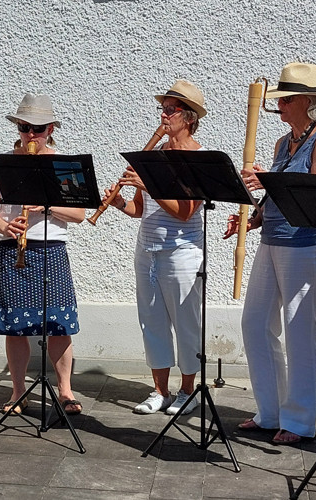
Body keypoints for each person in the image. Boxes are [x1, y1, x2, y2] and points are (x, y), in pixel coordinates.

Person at [225, 63, 316, 445]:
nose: (280, 106)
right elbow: (277, 194)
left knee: (299, 331)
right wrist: (254, 217)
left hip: (304, 244)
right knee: (255, 324)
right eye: (279, 99)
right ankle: (270, 411)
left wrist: (270, 180)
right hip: (272, 239)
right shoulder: (281, 143)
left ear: (308, 102)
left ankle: (300, 420)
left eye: (286, 99)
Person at [105, 80, 209, 416]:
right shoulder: (152, 156)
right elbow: (141, 209)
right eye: (162, 108)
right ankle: (159, 390)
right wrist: (119, 202)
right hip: (147, 250)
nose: (163, 115)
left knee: (186, 323)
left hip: (181, 253)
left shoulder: (198, 158)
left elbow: (186, 211)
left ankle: (188, 390)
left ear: (188, 117)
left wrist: (148, 183)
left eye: (171, 109)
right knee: (152, 322)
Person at [0, 94, 84, 416]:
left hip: (50, 248)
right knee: (15, 325)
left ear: (50, 128)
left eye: (38, 129)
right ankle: (18, 390)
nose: (31, 135)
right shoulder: (4, 163)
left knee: (59, 323)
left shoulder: (64, 163)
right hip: (12, 249)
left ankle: (65, 390)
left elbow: (78, 215)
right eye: (25, 128)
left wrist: (49, 206)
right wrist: (6, 226)